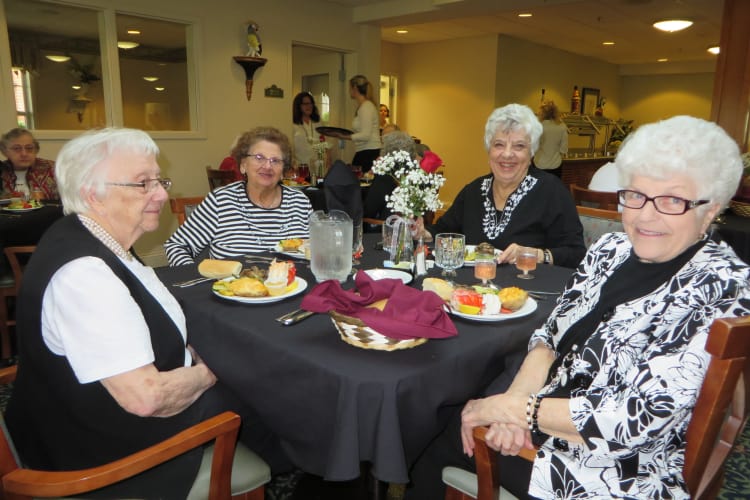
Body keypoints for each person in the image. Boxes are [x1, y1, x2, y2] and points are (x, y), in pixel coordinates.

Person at [405, 115, 750, 499]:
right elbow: (548, 338)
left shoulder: (722, 286)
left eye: (672, 200)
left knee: (436, 441)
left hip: (613, 467)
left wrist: (513, 412)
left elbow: (631, 419)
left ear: (710, 207)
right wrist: (515, 403)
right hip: (552, 413)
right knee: (451, 419)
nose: (645, 215)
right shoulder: (611, 250)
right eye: (635, 195)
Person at [4, 128, 289, 498]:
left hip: (87, 417)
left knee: (253, 375)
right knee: (259, 390)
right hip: (100, 455)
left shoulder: (92, 236)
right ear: (94, 194)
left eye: (159, 180)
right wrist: (211, 371)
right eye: (144, 183)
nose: (162, 193)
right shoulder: (84, 274)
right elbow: (147, 399)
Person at [419, 103, 585, 269]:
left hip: (528, 290)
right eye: (499, 144)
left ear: (532, 152)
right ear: (489, 149)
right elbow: (441, 231)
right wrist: (421, 233)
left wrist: (536, 255)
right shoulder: (473, 191)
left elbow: (576, 254)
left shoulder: (552, 192)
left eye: (519, 146)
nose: (507, 154)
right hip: (468, 289)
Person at [165, 126, 312, 264]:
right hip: (233, 290)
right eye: (259, 157)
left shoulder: (300, 202)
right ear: (243, 165)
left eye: (275, 160)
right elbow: (177, 246)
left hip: (294, 287)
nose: (267, 166)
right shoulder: (221, 201)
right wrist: (199, 282)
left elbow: (318, 249)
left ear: (283, 170)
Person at [363, 130, 417, 222]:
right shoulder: (414, 171)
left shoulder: (387, 174)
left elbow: (369, 210)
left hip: (385, 227)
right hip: (409, 224)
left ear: (386, 150)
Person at [331, 75, 381, 173]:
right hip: (366, 151)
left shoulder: (366, 107)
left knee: (360, 181)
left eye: (350, 88)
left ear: (354, 88)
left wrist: (344, 136)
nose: (349, 91)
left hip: (369, 152)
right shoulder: (365, 106)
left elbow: (365, 135)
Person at [0, 127, 59, 200]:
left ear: (36, 150)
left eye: (29, 148)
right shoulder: (1, 170)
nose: (24, 154)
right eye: (16, 149)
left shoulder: (53, 168)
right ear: (4, 151)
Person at [533, 101, 568, 177]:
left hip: (539, 164)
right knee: (553, 188)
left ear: (541, 112)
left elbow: (533, 148)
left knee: (539, 188)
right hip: (555, 166)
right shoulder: (562, 126)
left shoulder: (537, 126)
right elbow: (563, 149)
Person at [292, 91, 324, 169]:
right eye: (305, 104)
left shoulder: (318, 122)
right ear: (298, 106)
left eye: (310, 103)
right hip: (301, 166)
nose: (309, 106)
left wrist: (328, 156)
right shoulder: (293, 124)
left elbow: (325, 141)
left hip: (318, 165)